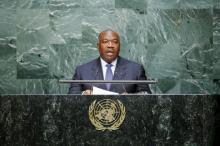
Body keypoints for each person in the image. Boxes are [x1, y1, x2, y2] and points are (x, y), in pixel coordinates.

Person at [68, 29, 151, 95]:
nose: (110, 45)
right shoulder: (82, 71)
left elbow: (147, 95)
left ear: (119, 46)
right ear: (98, 46)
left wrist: (130, 98)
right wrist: (83, 94)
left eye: (115, 42)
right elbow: (71, 95)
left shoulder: (136, 69)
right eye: (105, 42)